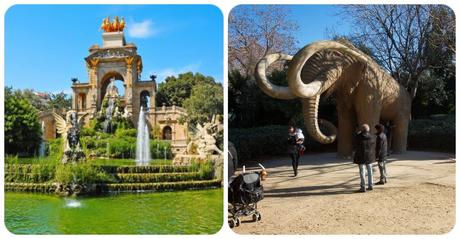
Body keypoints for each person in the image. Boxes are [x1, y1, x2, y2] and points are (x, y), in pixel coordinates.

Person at [353, 124, 376, 192]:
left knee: (362, 172)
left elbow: (354, 143)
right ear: (368, 130)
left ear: (362, 130)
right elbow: (373, 144)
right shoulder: (371, 137)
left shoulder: (358, 137)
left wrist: (358, 134)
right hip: (369, 156)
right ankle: (370, 185)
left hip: (361, 157)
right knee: (370, 171)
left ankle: (363, 187)